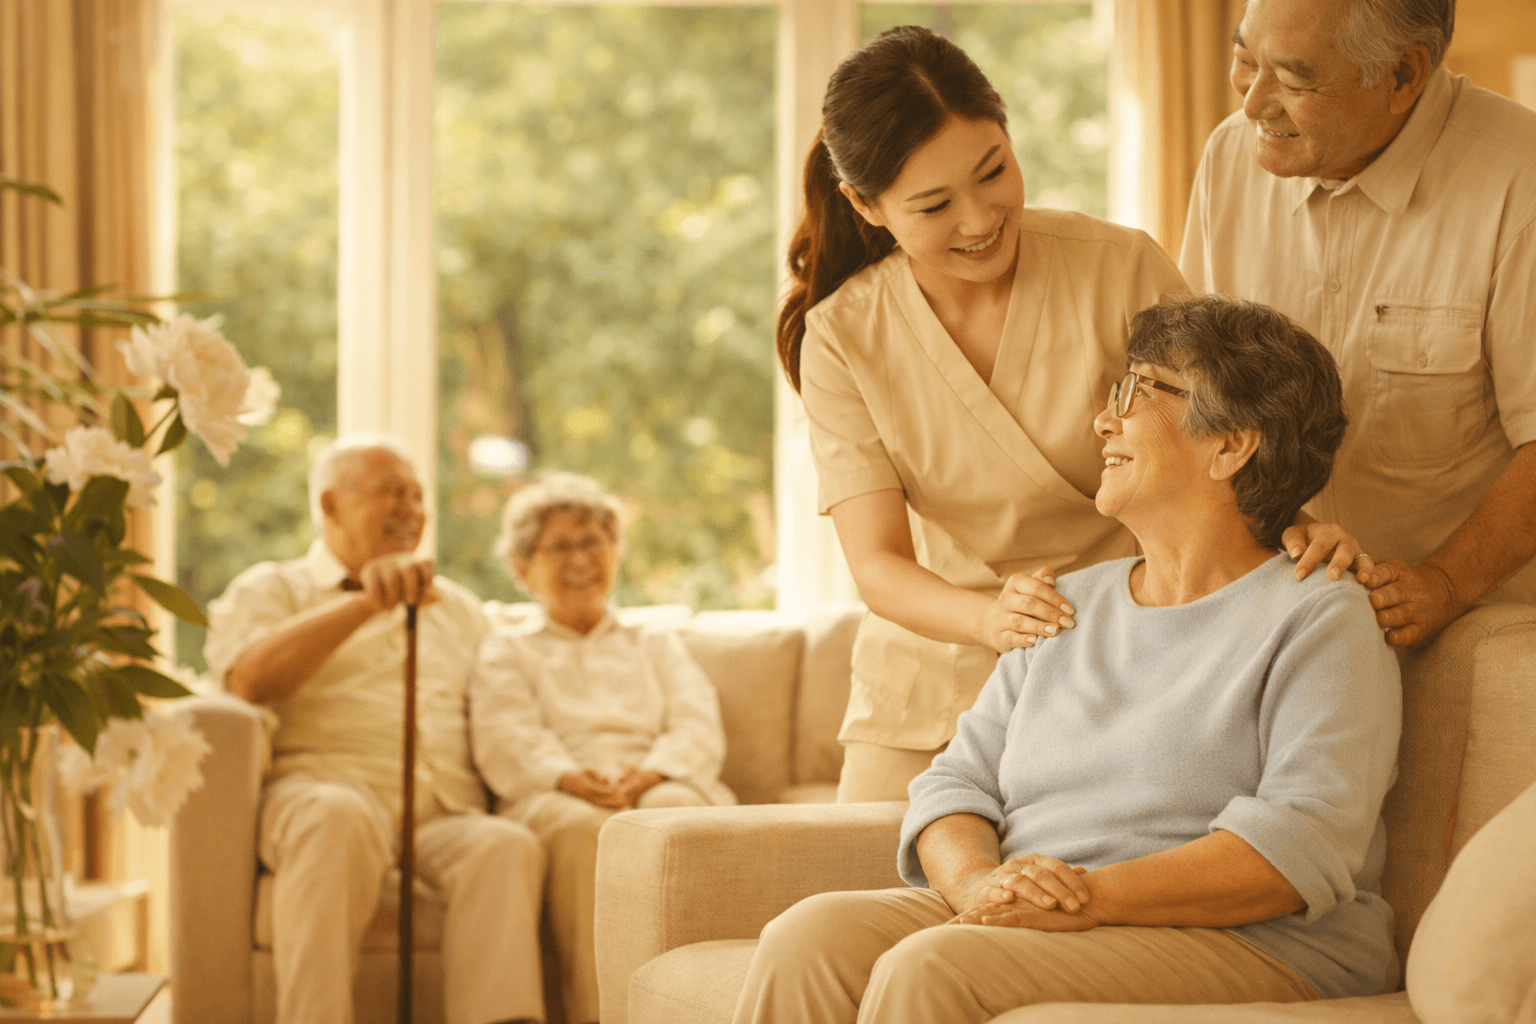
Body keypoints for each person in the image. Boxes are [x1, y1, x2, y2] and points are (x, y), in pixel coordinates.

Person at [733, 296, 1402, 1024]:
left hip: (1257, 940)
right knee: (807, 937)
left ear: (1231, 446)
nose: (1104, 420)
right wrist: (982, 889)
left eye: (1139, 392)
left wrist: (1085, 896)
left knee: (934, 967)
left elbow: (1299, 844)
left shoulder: (1320, 615)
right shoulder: (1065, 604)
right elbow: (955, 784)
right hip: (1049, 907)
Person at [782, 26, 1361, 803]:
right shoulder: (843, 336)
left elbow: (1224, 433)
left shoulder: (1118, 266)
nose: (980, 218)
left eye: (994, 173)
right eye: (933, 205)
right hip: (931, 678)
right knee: (874, 897)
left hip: (1121, 656)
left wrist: (1295, 519)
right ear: (867, 205)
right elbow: (880, 566)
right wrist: (992, 622)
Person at [1182, 0, 1536, 647]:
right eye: (1244, 60)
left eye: (1292, 80)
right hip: (1278, 621)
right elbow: (1199, 392)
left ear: (1402, 76)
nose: (1255, 101)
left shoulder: (1521, 178)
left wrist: (1446, 582)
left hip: (1471, 629)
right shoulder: (1232, 155)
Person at [205, 436, 546, 1024]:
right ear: (330, 506)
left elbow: (509, 711)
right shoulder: (274, 588)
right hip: (325, 791)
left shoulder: (458, 608)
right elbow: (248, 678)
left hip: (441, 812)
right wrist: (364, 602)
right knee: (334, 818)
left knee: (503, 845)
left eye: (418, 496)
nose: (411, 510)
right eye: (391, 493)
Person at [469, 472, 734, 1024]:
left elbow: (696, 723)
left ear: (615, 552)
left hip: (658, 781)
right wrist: (568, 776)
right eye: (560, 545)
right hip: (557, 792)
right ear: (522, 568)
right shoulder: (507, 650)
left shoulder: (654, 641)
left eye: (593, 541)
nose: (581, 558)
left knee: (673, 819)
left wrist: (653, 773)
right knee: (584, 829)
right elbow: (506, 734)